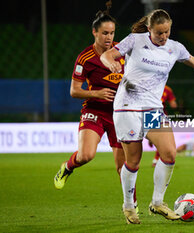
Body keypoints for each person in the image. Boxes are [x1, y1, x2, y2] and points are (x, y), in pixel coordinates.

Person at [100, 9, 194, 224]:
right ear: (149, 29)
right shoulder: (135, 40)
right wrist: (110, 61)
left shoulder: (175, 48)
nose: (164, 36)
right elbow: (108, 54)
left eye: (167, 31)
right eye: (159, 33)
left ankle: (157, 203)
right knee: (134, 161)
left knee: (169, 153)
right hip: (127, 107)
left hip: (153, 108)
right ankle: (129, 206)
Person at [53, 1, 138, 209]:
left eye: (112, 33)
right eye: (105, 33)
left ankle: (131, 205)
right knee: (86, 155)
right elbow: (74, 90)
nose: (109, 38)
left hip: (119, 114)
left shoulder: (122, 52)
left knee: (123, 167)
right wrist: (96, 93)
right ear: (94, 32)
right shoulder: (86, 58)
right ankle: (67, 167)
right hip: (95, 111)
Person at [151, 85, 177, 167]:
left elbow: (172, 103)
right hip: (154, 114)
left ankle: (156, 160)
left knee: (161, 139)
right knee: (162, 140)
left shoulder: (152, 86)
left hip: (153, 115)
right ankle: (156, 159)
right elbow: (173, 104)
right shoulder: (166, 89)